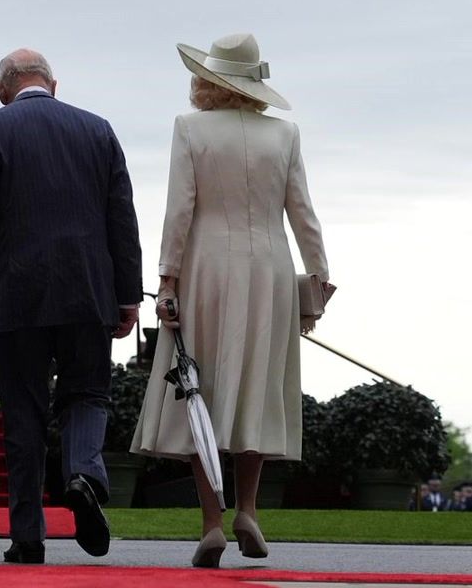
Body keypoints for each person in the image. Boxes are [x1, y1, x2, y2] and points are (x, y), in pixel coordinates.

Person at [131, 33, 331, 568]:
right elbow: (303, 213)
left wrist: (167, 281)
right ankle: (248, 510)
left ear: (208, 80)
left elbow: (179, 210)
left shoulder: (190, 129)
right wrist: (319, 278)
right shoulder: (284, 134)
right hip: (270, 270)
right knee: (256, 389)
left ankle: (211, 523)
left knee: (202, 391)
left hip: (207, 271)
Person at [0, 49, 142, 564]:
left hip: (18, 291)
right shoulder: (98, 130)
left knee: (23, 412)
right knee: (87, 393)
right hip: (88, 289)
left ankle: (27, 537)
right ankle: (83, 473)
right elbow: (122, 219)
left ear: (2, 90)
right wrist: (127, 295)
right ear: (53, 85)